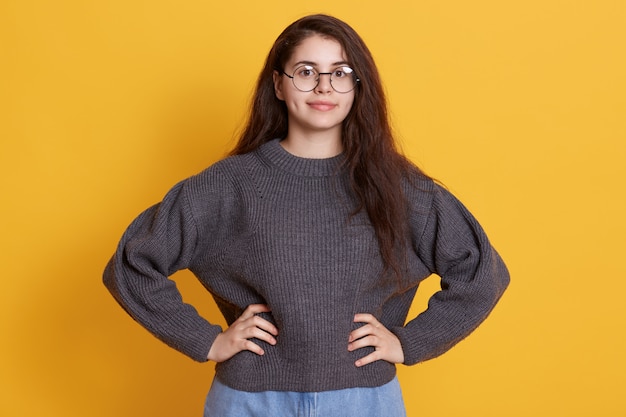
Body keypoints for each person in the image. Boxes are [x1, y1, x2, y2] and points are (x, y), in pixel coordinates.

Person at [103, 14, 510, 417]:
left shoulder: (398, 185)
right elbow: (132, 263)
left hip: (364, 402)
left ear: (357, 86)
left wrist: (409, 342)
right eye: (306, 71)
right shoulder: (228, 185)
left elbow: (480, 271)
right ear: (278, 83)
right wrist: (208, 341)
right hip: (250, 401)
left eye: (340, 72)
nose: (323, 86)